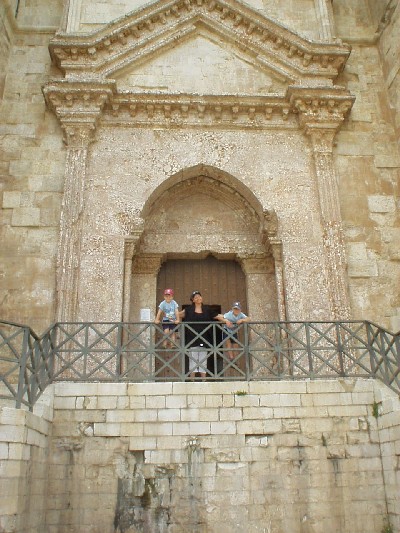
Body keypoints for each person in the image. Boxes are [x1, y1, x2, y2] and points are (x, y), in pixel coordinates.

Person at [180, 290, 219, 380]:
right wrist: (168, 316)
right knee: (193, 360)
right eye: (195, 297)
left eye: (199, 296)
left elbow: (217, 316)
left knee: (203, 360)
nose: (198, 298)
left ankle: (203, 380)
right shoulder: (188, 310)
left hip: (204, 338)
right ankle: (192, 380)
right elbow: (178, 315)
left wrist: (227, 319)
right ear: (193, 300)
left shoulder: (207, 309)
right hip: (192, 338)